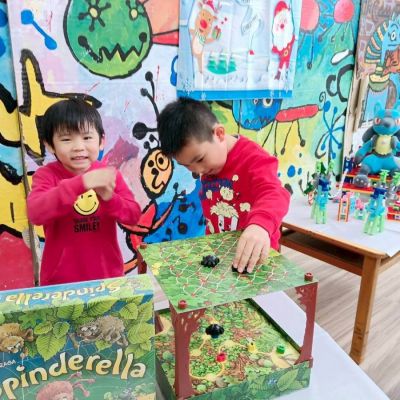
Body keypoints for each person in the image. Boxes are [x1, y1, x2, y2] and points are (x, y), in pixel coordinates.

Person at [157, 97, 290, 273]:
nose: (198, 170)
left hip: (256, 260)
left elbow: (275, 193)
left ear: (219, 134)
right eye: (187, 165)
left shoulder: (255, 159)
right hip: (222, 258)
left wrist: (260, 225)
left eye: (200, 159)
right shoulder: (211, 165)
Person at [27, 99, 141, 286]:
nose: (78, 146)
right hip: (60, 284)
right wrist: (81, 183)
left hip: (108, 278)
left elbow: (133, 216)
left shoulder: (109, 174)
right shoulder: (46, 176)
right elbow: (36, 213)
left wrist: (109, 199)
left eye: (87, 138)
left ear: (101, 141)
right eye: (66, 139)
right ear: (49, 145)